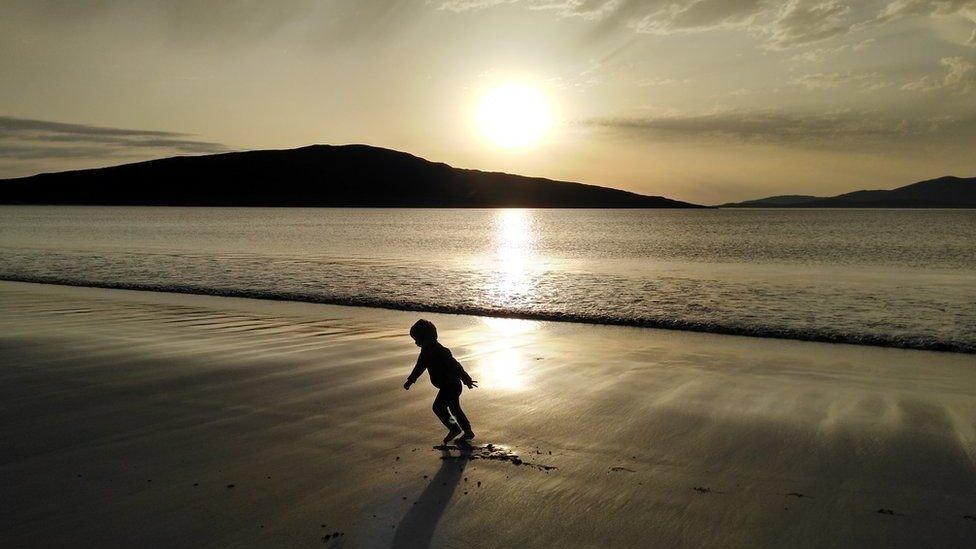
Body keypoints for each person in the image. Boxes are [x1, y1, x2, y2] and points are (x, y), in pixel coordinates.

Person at [403, 319, 478, 444]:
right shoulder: (428, 351)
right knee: (455, 409)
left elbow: (456, 366)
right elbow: (419, 368)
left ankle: (454, 428)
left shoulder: (439, 351)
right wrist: (411, 380)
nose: (416, 343)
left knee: (438, 407)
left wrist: (466, 379)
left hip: (450, 386)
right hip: (450, 386)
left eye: (418, 340)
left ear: (427, 337)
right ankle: (467, 431)